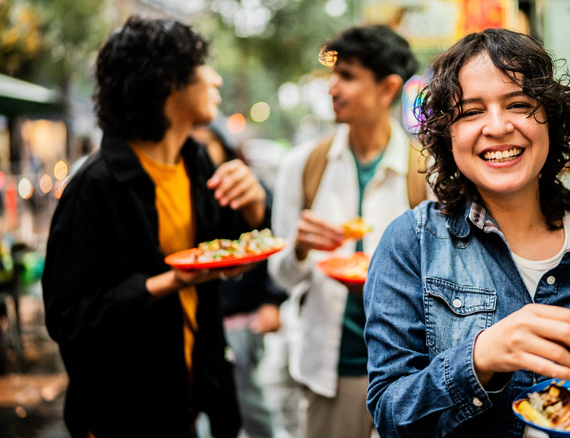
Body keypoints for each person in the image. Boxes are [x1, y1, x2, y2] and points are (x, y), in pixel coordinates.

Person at [363, 28, 570, 437]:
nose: (497, 127)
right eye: (470, 111)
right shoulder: (411, 244)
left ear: (550, 120)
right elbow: (391, 415)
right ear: (448, 134)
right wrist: (479, 358)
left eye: (518, 104)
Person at [42, 16, 267, 438]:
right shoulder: (94, 187)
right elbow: (68, 319)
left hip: (196, 390)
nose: (215, 79)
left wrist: (255, 204)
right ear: (169, 82)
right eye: (204, 67)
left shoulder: (195, 162)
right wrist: (167, 283)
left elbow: (231, 246)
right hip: (121, 410)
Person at [267, 25, 422, 438]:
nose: (332, 86)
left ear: (388, 88)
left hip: (412, 367)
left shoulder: (427, 170)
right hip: (332, 370)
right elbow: (281, 277)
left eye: (348, 76)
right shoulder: (302, 165)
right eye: (334, 74)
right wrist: (298, 248)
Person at [192, 123, 288, 438]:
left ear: (226, 148)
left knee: (246, 394)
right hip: (203, 322)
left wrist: (271, 301)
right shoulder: (192, 194)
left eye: (206, 145)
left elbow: (272, 244)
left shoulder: (248, 188)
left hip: (241, 320)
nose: (198, 152)